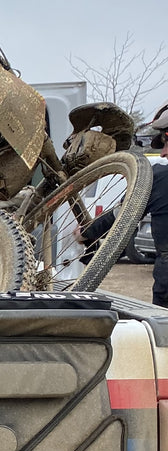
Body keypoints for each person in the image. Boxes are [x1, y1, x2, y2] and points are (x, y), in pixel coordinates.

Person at [78, 99, 168, 306]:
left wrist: (86, 233)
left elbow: (121, 214)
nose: (163, 153)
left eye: (165, 143)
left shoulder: (161, 178)